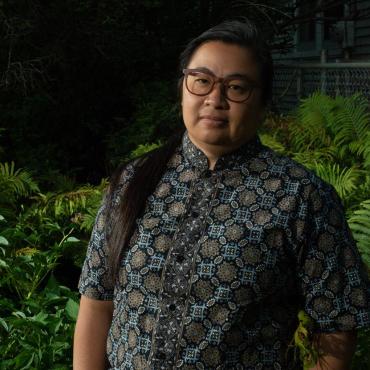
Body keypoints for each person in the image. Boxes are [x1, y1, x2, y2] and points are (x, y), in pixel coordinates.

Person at [73, 19, 370, 370]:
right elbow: (96, 304)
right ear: (183, 88)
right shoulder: (131, 182)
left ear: (262, 102)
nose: (215, 99)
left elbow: (338, 325)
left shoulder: (301, 197)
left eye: (237, 87)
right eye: (201, 81)